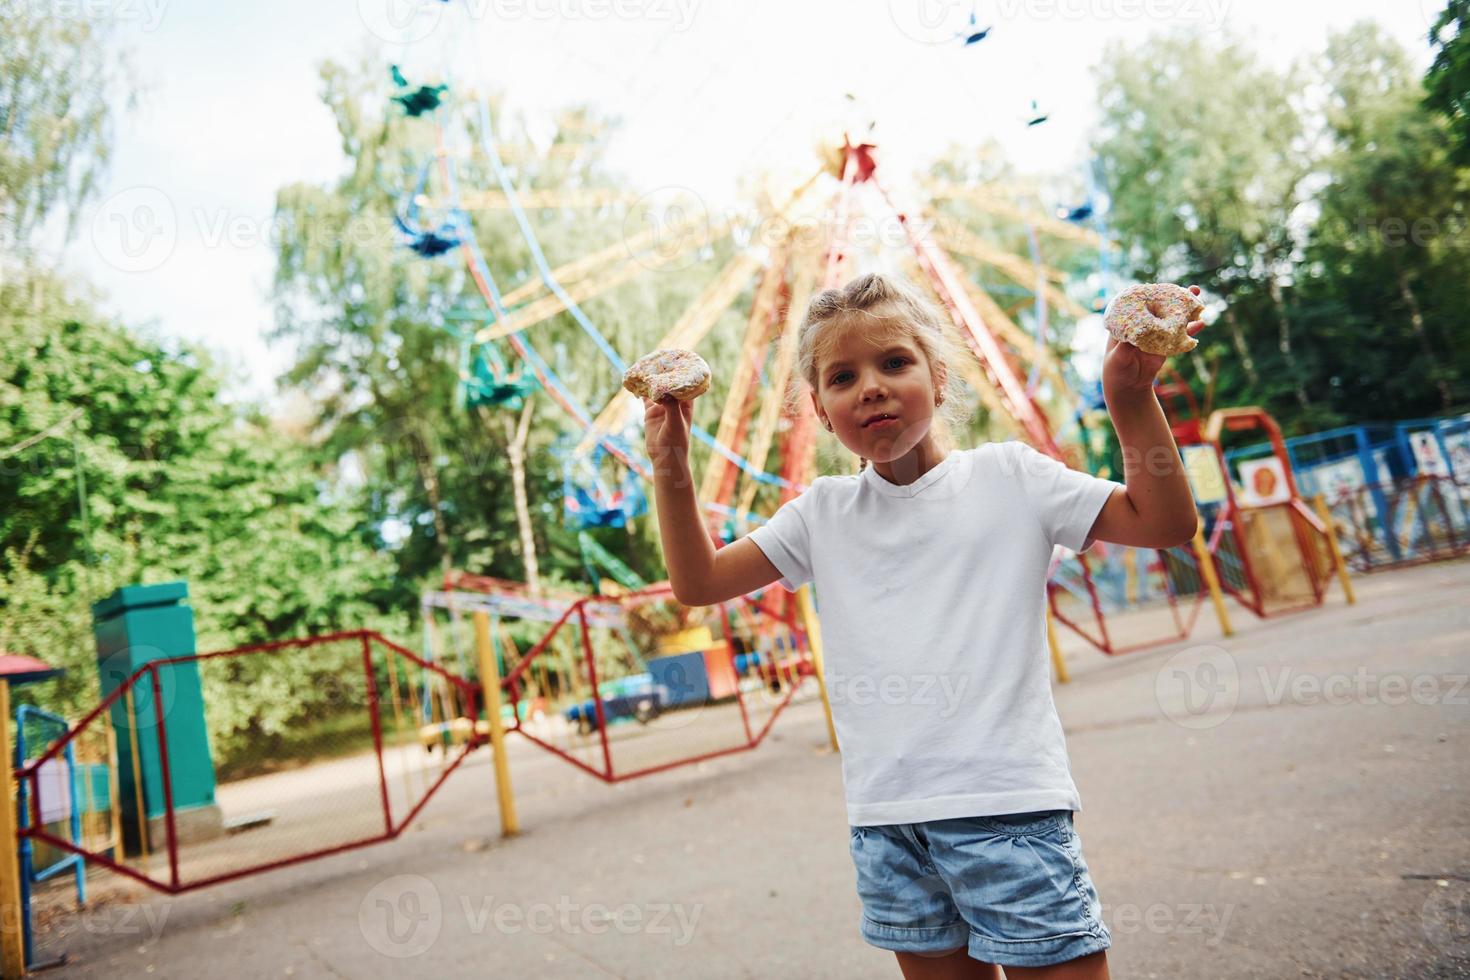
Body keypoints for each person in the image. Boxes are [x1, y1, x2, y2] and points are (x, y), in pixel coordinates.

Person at [642, 272, 1205, 979]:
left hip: (1010, 810)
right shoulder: (822, 513)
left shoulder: (1012, 477)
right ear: (820, 410)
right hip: (888, 823)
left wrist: (1130, 398)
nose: (871, 386)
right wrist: (670, 465)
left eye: (894, 362)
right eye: (843, 377)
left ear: (939, 378)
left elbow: (1164, 522)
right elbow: (699, 583)